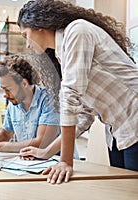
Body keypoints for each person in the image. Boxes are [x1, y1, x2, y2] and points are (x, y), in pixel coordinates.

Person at [17, 0, 138, 184]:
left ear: (38, 26)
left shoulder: (77, 31)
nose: (27, 44)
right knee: (123, 188)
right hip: (118, 130)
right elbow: (84, 113)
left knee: (131, 188)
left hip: (133, 120)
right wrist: (47, 151)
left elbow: (70, 94)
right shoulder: (62, 52)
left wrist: (65, 161)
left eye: (25, 35)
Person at [0, 55, 78, 159]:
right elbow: (4, 135)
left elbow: (42, 142)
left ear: (24, 83)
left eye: (8, 89)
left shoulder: (49, 100)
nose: (4, 95)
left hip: (58, 164)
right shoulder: (14, 103)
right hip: (32, 164)